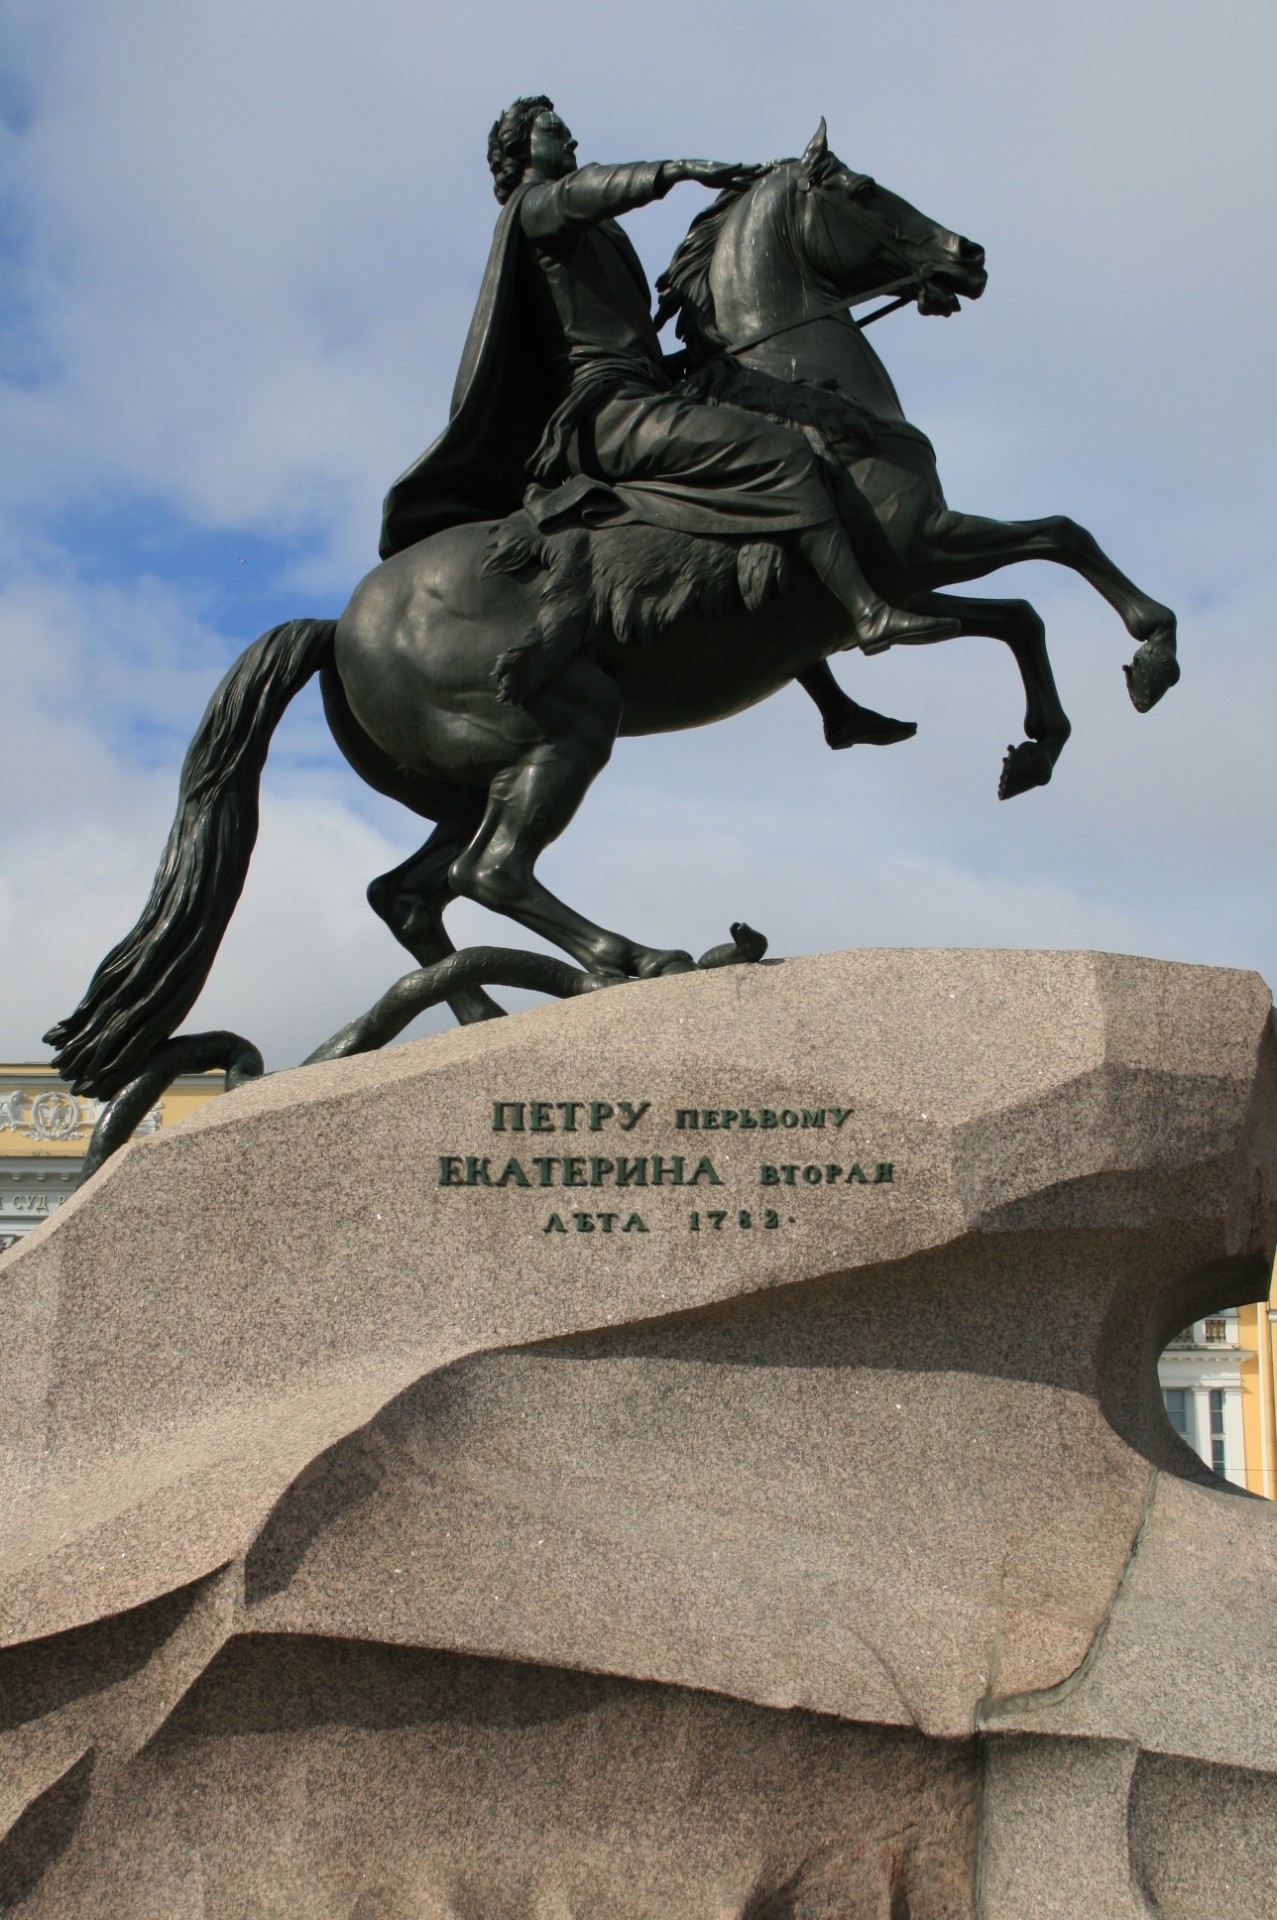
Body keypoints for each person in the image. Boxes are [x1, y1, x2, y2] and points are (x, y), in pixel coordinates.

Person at [380, 97, 954, 707]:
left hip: (639, 392)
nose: (569, 140)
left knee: (745, 490)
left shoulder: (592, 231)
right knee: (779, 453)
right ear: (522, 151)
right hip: (607, 412)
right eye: (554, 131)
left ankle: (832, 704)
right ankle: (867, 614)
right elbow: (583, 195)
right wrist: (673, 171)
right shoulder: (536, 209)